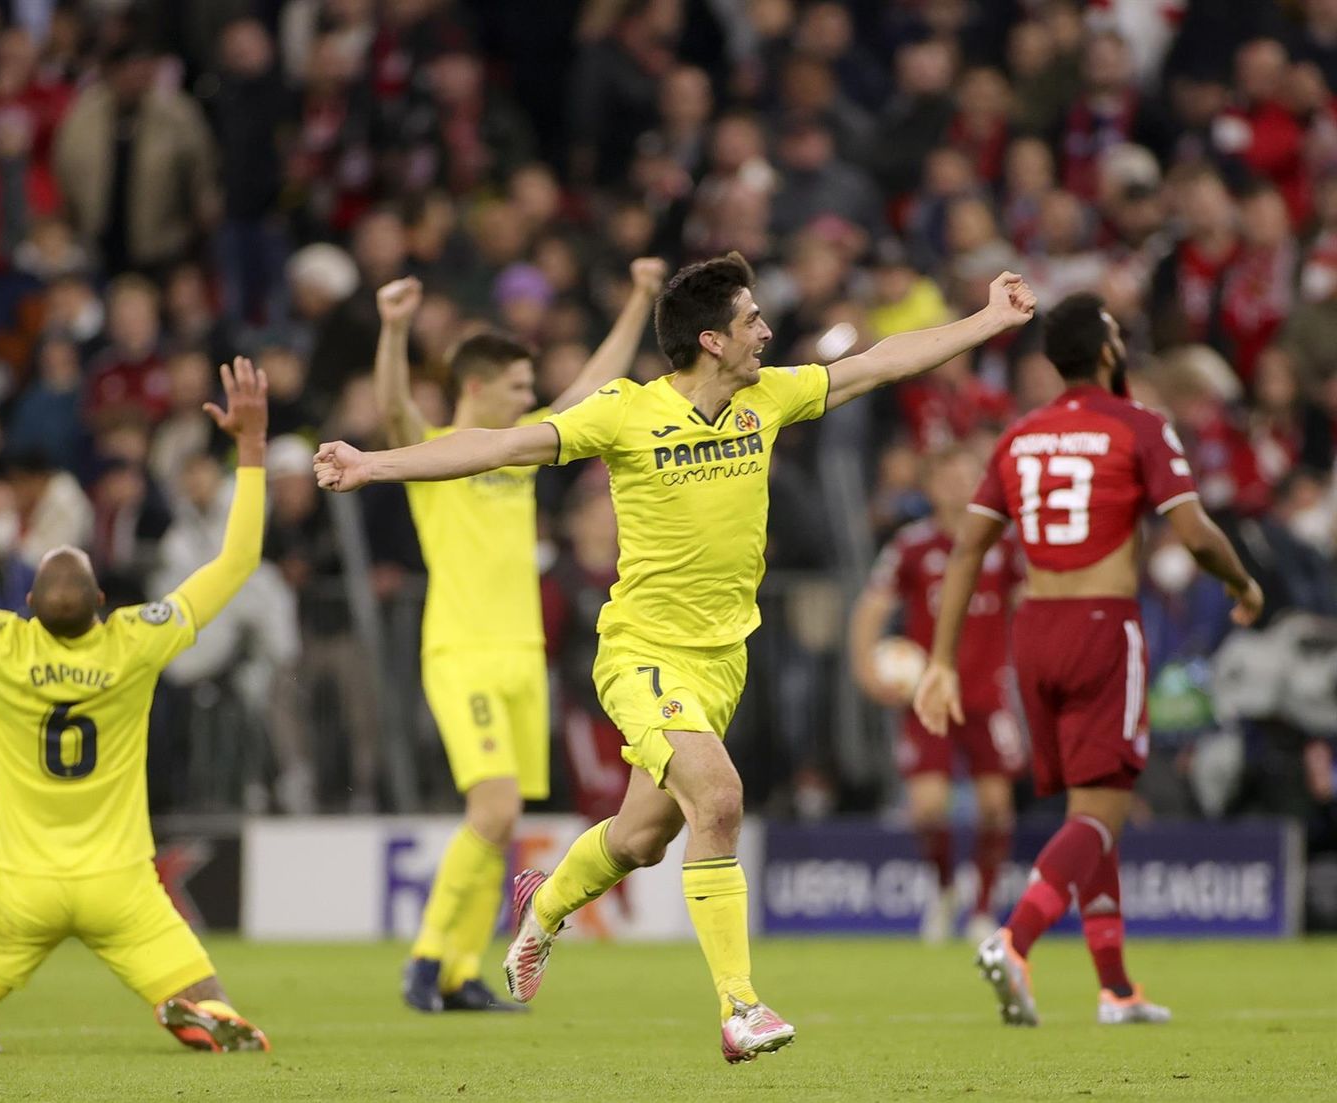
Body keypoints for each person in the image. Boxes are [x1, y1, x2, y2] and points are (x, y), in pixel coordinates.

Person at [317, 252, 1038, 1062]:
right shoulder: (626, 412)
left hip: (721, 663)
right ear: (711, 339)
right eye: (751, 320)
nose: (767, 331)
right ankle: (740, 1006)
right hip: (641, 654)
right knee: (719, 800)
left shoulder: (768, 397)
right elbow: (498, 446)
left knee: (640, 839)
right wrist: (373, 464)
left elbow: (879, 362)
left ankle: (542, 906)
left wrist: (988, 319)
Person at [0, 360, 272, 1058]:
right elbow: (238, 559)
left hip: (22, 888)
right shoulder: (136, 639)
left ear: (28, 604)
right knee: (210, 996)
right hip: (121, 885)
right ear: (103, 603)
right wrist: (250, 447)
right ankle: (200, 1012)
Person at [914, 292, 1264, 1028]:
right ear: (1109, 352)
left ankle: (1116, 987)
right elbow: (1195, 534)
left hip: (1034, 632)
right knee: (1104, 810)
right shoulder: (1139, 424)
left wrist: (939, 660)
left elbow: (968, 549)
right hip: (1103, 627)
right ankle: (1014, 939)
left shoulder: (1019, 436)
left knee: (1088, 806)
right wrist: (1243, 583)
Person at [377, 257, 665, 1013]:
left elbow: (595, 385)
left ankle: (460, 972)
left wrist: (639, 297)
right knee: (495, 809)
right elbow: (394, 409)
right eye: (516, 387)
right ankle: (426, 958)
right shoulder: (436, 452)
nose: (529, 397)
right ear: (475, 387)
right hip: (461, 653)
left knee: (501, 826)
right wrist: (395, 329)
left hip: (521, 660)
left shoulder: (519, 456)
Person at [850, 446, 1025, 945]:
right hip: (927, 697)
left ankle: (984, 909)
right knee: (927, 808)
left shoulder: (1004, 543)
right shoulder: (912, 546)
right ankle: (945, 890)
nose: (957, 486)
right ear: (929, 487)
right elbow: (871, 608)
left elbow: (1031, 605)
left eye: (967, 476)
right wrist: (866, 670)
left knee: (996, 807)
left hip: (988, 694)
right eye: (947, 478)